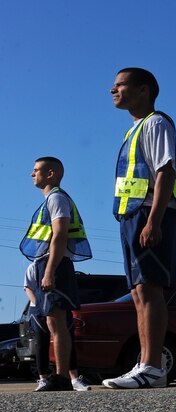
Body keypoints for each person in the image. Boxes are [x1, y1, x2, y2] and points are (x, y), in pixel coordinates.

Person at [104, 68, 176, 389]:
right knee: (138, 291)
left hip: (149, 215)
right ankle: (143, 363)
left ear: (144, 91)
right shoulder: (133, 130)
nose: (113, 90)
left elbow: (164, 171)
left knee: (150, 289)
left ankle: (153, 367)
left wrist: (153, 219)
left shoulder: (156, 124)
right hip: (132, 217)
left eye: (120, 85)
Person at [21, 157, 93, 391]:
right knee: (53, 322)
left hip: (56, 264)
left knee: (56, 321)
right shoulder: (50, 200)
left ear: (50, 174)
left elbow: (60, 235)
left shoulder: (57, 198)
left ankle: (62, 377)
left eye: (36, 170)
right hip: (48, 264)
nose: (32, 174)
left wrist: (49, 271)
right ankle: (61, 376)